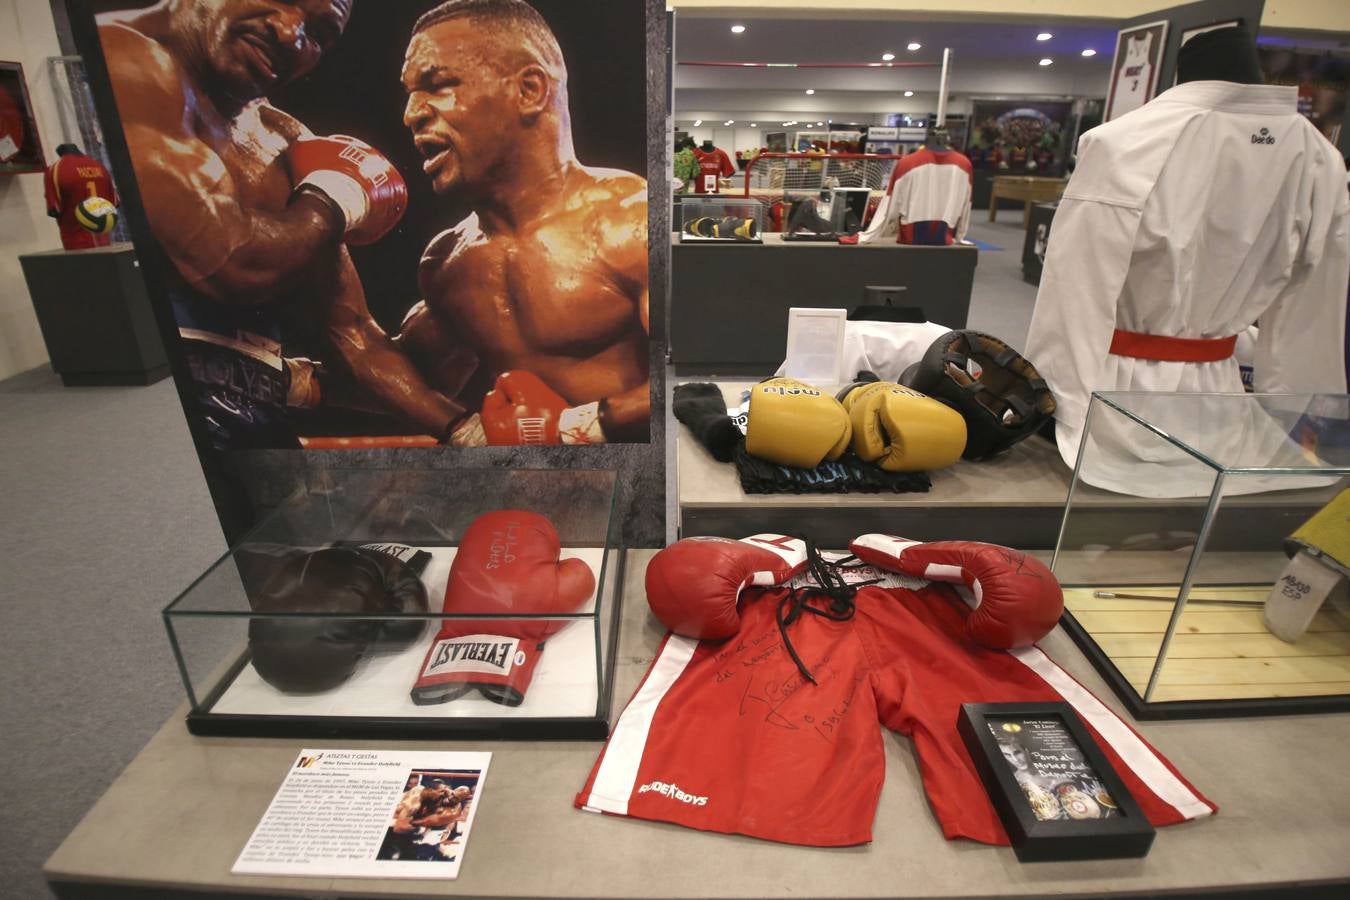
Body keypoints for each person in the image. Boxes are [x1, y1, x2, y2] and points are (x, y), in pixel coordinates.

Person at [97, 0, 476, 449]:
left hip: (256, 409)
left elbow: (351, 334)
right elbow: (230, 262)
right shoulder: (124, 57)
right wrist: (336, 199)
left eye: (319, 32)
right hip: (151, 396)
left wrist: (469, 429)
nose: (290, 32)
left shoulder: (283, 138)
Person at [398, 0, 650, 444]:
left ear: (529, 90)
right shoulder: (447, 263)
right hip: (533, 493)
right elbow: (404, 376)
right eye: (410, 93)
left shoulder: (630, 222)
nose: (412, 113)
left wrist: (577, 427)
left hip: (639, 487)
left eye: (437, 85)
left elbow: (697, 379)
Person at [45, 143, 120, 250]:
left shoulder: (55, 169)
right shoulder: (99, 166)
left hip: (76, 242)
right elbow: (114, 203)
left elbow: (53, 210)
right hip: (105, 240)